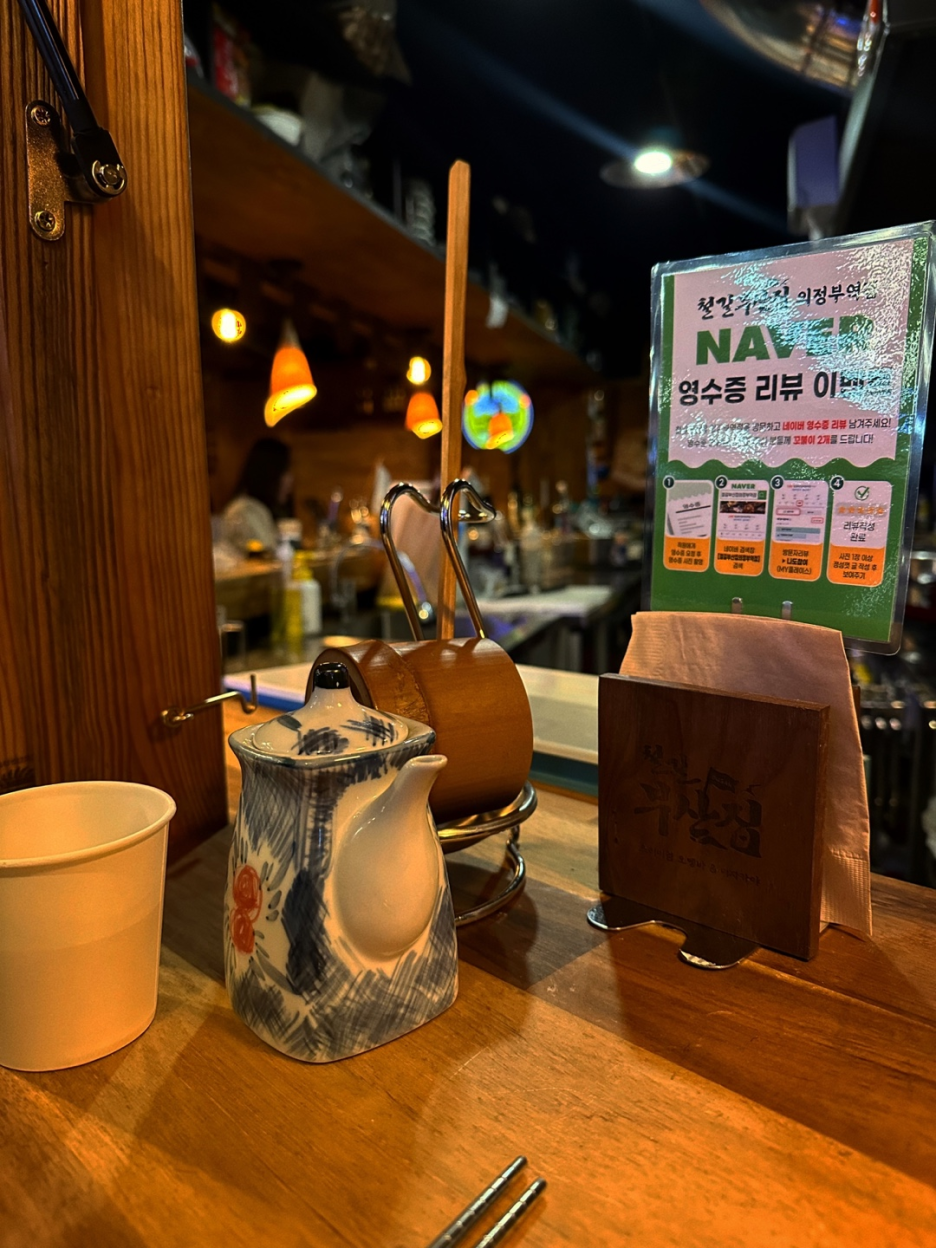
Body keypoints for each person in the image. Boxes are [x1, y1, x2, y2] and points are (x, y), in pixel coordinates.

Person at [222, 438, 294, 555]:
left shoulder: (257, 508)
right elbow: (268, 555)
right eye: (285, 472)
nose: (290, 480)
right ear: (269, 474)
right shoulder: (246, 511)